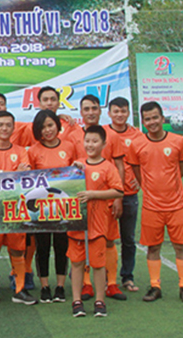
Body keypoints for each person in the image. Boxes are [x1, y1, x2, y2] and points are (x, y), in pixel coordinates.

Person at [126, 101, 183, 303]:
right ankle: (155, 286)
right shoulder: (137, 144)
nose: (152, 122)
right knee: (153, 248)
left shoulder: (178, 141)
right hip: (151, 207)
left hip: (176, 205)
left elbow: (182, 169)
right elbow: (138, 172)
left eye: (155, 117)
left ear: (162, 118)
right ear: (143, 122)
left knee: (180, 245)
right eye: (147, 119)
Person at [0, 110, 37, 307]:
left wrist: (0, 173)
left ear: (13, 127)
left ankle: (19, 290)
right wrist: (11, 174)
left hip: (16, 209)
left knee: (17, 251)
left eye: (8, 125)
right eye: (0, 125)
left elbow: (24, 179)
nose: (4, 128)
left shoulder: (21, 151)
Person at [68, 125, 124, 318]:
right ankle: (77, 301)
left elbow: (118, 190)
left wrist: (94, 195)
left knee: (98, 265)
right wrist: (73, 171)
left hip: (98, 225)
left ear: (103, 144)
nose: (90, 145)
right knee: (76, 264)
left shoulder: (108, 167)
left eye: (94, 141)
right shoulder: (77, 165)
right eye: (87, 141)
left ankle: (100, 300)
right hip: (77, 225)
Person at [27, 110, 76, 303]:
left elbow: (77, 175)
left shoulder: (70, 147)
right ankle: (45, 286)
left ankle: (61, 286)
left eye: (50, 125)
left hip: (63, 208)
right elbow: (27, 181)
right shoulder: (33, 150)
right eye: (43, 127)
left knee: (62, 246)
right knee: (43, 246)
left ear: (57, 125)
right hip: (40, 209)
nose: (47, 130)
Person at [105, 97, 142, 293]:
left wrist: (141, 178)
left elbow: (145, 158)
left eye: (123, 111)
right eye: (116, 111)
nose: (120, 115)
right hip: (107, 194)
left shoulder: (137, 135)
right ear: (109, 113)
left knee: (128, 237)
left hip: (129, 193)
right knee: (105, 238)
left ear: (129, 113)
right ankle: (106, 278)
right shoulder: (103, 133)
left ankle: (127, 276)